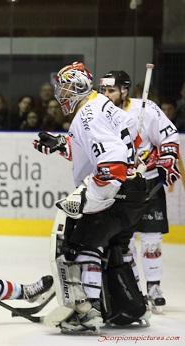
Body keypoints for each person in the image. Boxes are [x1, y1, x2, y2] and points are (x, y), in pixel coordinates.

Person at [33, 62, 148, 334]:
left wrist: (91, 194)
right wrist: (62, 145)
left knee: (81, 247)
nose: (62, 93)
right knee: (114, 250)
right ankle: (128, 306)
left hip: (115, 191)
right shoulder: (103, 105)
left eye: (66, 87)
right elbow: (126, 141)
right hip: (134, 190)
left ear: (80, 86)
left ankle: (90, 313)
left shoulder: (87, 115)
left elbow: (112, 162)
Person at [99, 70, 181, 313]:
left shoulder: (146, 109)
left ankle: (154, 287)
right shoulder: (100, 114)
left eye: (111, 90)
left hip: (149, 182)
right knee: (123, 243)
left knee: (151, 239)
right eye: (103, 90)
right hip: (122, 185)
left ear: (124, 90)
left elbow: (169, 135)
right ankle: (134, 288)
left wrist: (166, 159)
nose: (106, 94)